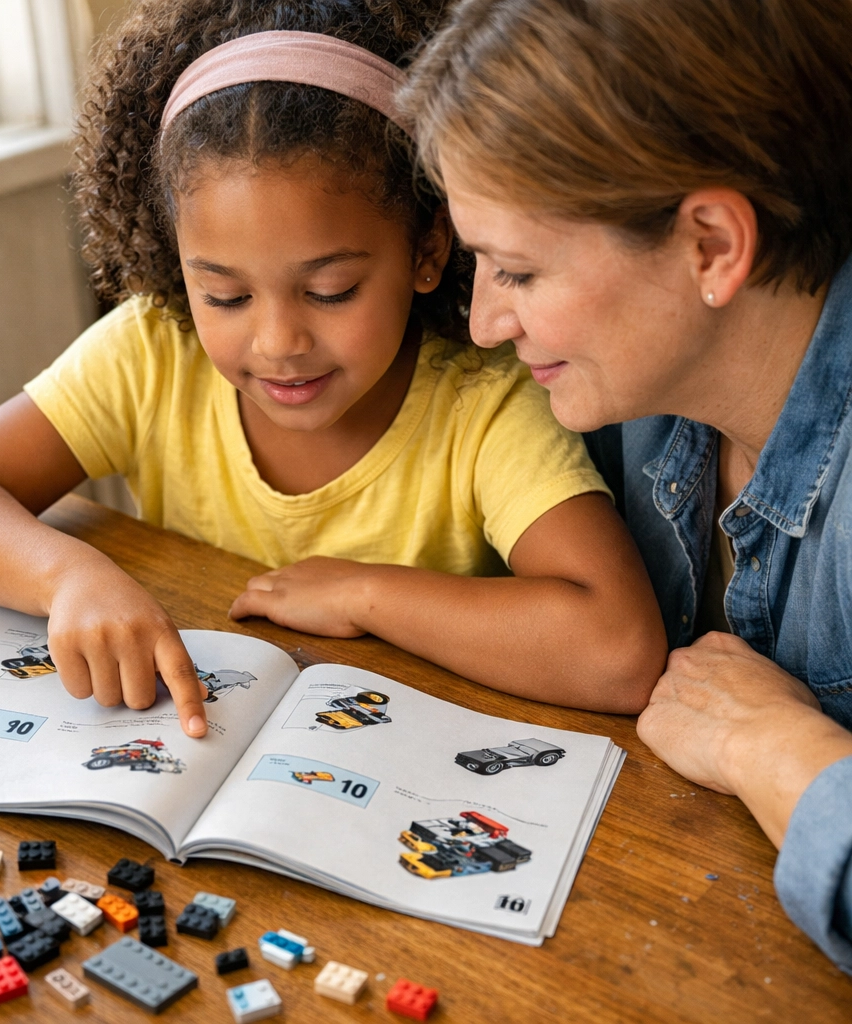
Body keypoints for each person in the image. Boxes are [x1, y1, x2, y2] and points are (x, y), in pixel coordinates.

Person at [0, 0, 667, 741]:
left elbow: (619, 651)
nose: (277, 342)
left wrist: (365, 592)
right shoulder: (155, 349)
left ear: (427, 250)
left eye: (330, 291)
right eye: (224, 293)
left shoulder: (484, 403)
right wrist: (65, 578)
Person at [403, 0, 852, 973]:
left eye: (516, 270)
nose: (483, 322)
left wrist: (771, 746)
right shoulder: (638, 393)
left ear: (711, 248)